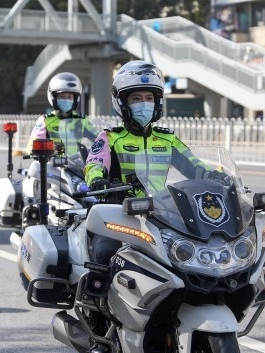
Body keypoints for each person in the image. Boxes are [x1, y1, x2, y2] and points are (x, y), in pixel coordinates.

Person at [84, 60, 221, 265]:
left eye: (149, 98)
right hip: (121, 211)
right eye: (137, 98)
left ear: (157, 102)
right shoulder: (110, 137)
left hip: (163, 212)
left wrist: (215, 177)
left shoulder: (168, 139)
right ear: (122, 103)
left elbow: (193, 165)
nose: (144, 103)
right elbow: (94, 164)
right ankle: (94, 295)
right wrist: (97, 181)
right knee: (105, 257)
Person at [24, 72, 98, 160]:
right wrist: (35, 151)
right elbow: (33, 143)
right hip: (51, 165)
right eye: (62, 96)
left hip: (75, 165)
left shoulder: (81, 120)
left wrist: (109, 145)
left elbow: (98, 138)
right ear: (53, 98)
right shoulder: (46, 120)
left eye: (70, 97)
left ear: (75, 99)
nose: (66, 100)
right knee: (35, 169)